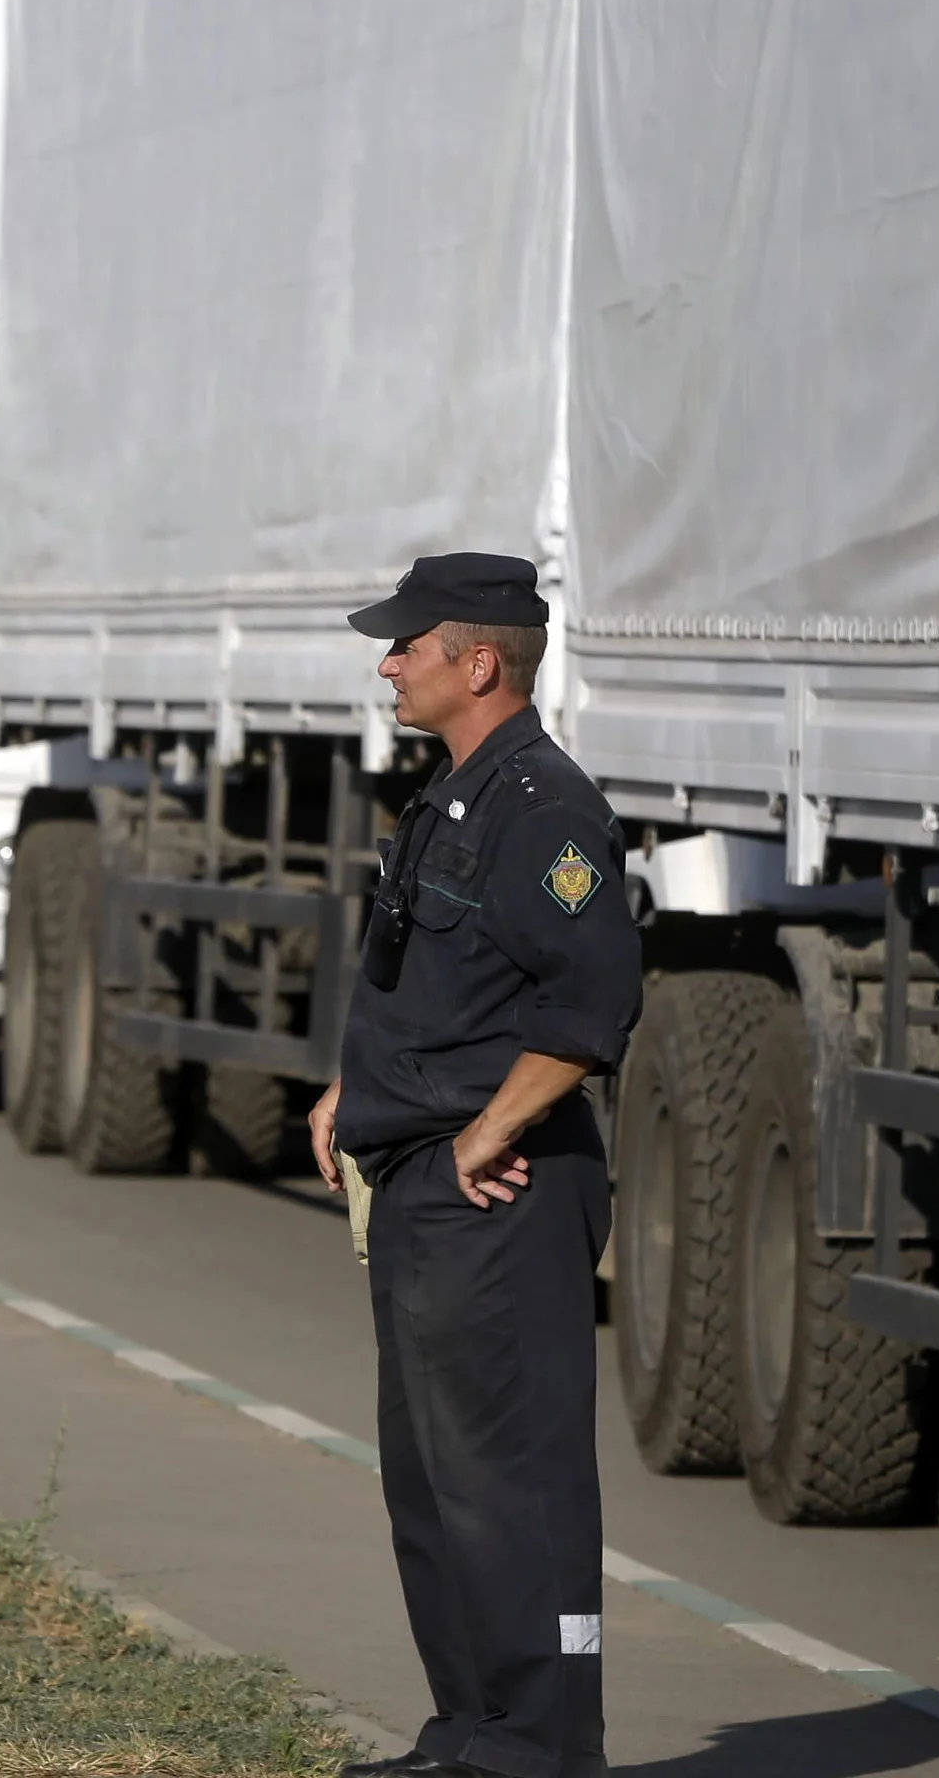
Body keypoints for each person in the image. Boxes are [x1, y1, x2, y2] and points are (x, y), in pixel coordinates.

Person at [310, 551, 638, 1778]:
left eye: (408, 645)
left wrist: (489, 1132)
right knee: (435, 1486)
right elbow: (443, 986)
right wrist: (360, 1090)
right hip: (419, 1186)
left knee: (513, 1488)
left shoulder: (544, 810)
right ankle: (471, 1739)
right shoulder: (454, 795)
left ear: (478, 661)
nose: (386, 663)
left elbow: (592, 1004)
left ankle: (538, 1749)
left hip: (494, 1197)